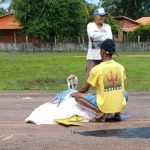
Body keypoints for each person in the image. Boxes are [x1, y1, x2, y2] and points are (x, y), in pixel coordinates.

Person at [71, 39, 128, 122]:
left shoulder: (97, 69)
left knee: (77, 97)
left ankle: (99, 111)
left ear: (103, 52)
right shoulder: (120, 67)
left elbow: (84, 89)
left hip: (104, 105)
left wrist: (75, 92)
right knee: (125, 93)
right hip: (119, 105)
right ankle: (117, 113)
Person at [86, 7, 113, 78]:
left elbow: (109, 39)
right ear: (95, 16)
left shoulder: (107, 26)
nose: (102, 17)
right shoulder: (90, 25)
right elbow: (91, 35)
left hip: (105, 57)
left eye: (103, 16)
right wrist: (104, 34)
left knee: (105, 79)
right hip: (92, 57)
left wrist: (96, 37)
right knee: (89, 79)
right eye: (100, 15)